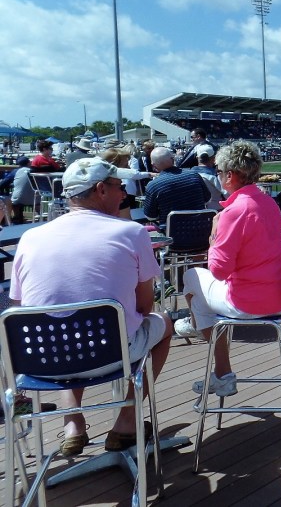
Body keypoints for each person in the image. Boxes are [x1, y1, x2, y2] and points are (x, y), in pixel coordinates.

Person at [9, 157, 173, 455]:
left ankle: (73, 423)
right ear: (100, 189)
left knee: (64, 326)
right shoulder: (132, 232)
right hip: (109, 353)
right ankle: (127, 419)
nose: (124, 193)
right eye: (119, 186)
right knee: (164, 322)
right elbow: (146, 306)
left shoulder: (30, 237)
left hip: (41, 361)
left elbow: (19, 306)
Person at [173, 142, 281, 396]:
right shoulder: (268, 203)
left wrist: (213, 235)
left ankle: (197, 326)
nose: (217, 176)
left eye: (219, 171)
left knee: (191, 275)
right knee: (201, 301)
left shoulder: (234, 211)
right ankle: (220, 369)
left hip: (247, 303)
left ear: (230, 175)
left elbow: (218, 271)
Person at [143, 146, 210, 227]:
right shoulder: (194, 175)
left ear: (153, 165)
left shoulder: (153, 186)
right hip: (200, 229)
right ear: (173, 159)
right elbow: (208, 199)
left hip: (173, 234)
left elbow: (150, 217)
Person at [100, 147, 151, 220]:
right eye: (125, 165)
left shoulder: (94, 189)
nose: (128, 168)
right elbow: (127, 221)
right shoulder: (118, 193)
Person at [190, 143, 226, 210]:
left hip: (195, 211)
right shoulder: (216, 175)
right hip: (215, 211)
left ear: (197, 158)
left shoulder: (188, 174)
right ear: (213, 159)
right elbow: (226, 193)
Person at [7, 156, 33, 224]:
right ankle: (40, 219)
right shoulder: (34, 170)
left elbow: (4, 183)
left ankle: (16, 218)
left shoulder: (16, 171)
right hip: (35, 199)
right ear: (29, 163)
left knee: (11, 198)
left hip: (19, 199)